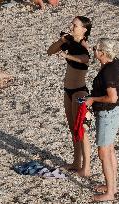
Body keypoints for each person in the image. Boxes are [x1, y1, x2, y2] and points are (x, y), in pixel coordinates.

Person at [85, 38, 119, 201]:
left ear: (102, 53)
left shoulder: (108, 71)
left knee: (104, 152)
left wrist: (93, 100)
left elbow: (112, 98)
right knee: (110, 149)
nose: (94, 50)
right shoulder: (115, 64)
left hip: (107, 113)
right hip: (113, 113)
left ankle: (110, 193)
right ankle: (111, 186)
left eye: (96, 49)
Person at [47, 16, 92, 176]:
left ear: (84, 29)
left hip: (80, 91)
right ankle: (76, 162)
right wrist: (61, 42)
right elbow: (49, 51)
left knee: (81, 130)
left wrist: (67, 56)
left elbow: (85, 59)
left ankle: (86, 168)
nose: (71, 26)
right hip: (68, 91)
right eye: (72, 24)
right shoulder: (68, 40)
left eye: (75, 25)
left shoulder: (83, 45)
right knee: (73, 128)